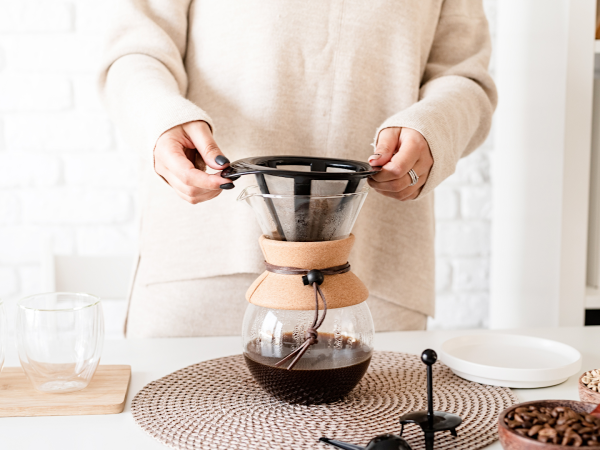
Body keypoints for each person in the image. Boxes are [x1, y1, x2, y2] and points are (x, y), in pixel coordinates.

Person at [100, 0, 497, 338]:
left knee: (375, 425)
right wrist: (161, 118)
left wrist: (435, 128)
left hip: (373, 269)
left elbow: (463, 77)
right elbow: (136, 50)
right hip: (204, 256)